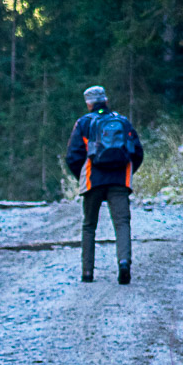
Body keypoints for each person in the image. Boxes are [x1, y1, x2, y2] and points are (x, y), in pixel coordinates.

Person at [65, 85, 144, 284]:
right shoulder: (123, 122)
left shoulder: (83, 123)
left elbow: (73, 156)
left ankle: (87, 273)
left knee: (89, 225)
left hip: (93, 181)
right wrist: (126, 171)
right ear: (106, 101)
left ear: (88, 103)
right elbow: (137, 152)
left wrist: (82, 176)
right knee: (122, 223)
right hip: (119, 180)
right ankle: (124, 263)